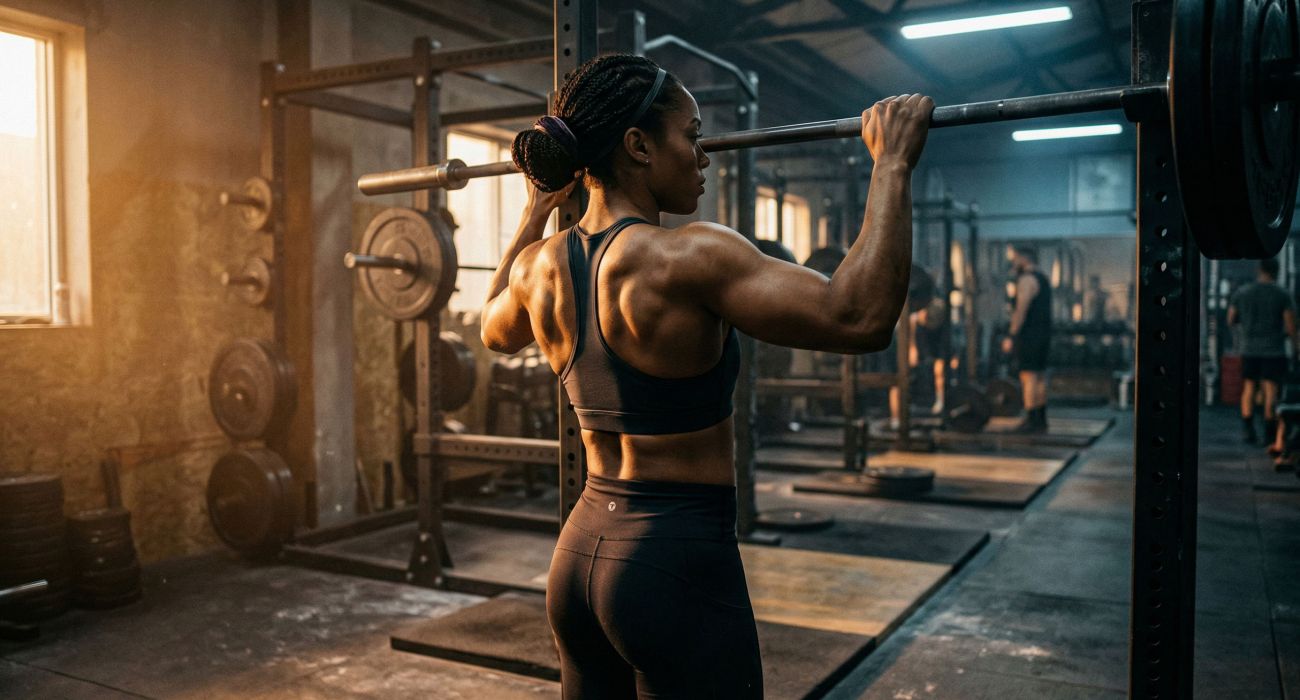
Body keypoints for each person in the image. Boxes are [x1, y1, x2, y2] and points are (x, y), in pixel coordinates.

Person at [479, 54, 932, 699]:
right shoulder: (689, 256)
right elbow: (859, 318)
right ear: (638, 146)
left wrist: (534, 213)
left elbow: (491, 332)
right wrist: (891, 166)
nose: (704, 156)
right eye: (691, 136)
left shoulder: (537, 269)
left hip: (577, 558)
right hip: (673, 560)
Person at [1228, 257, 1297, 444]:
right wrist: (1296, 349)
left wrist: (1247, 326)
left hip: (1249, 348)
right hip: (1274, 350)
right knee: (1270, 390)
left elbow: (1231, 319)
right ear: (1276, 270)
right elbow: (1291, 327)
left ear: (1259, 270)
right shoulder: (1282, 294)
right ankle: (1269, 432)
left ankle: (1248, 430)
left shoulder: (1243, 293)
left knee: (1249, 388)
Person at [1001, 246, 1052, 433]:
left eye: (1015, 258)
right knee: (1039, 376)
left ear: (1024, 258)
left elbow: (1020, 310)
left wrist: (1011, 335)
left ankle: (1031, 418)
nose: (1014, 262)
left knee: (1028, 376)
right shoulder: (1043, 278)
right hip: (1043, 334)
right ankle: (1040, 419)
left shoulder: (1027, 280)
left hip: (1029, 335)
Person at [889, 297, 946, 426]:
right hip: (898, 350)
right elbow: (910, 346)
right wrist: (912, 351)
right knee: (896, 382)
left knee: (940, 369)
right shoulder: (911, 321)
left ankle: (940, 401)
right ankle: (896, 419)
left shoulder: (932, 322)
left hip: (922, 351)